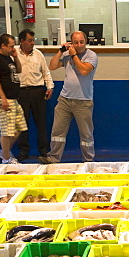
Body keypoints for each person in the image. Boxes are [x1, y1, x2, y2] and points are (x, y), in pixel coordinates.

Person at [47, 30, 98, 163]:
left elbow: (84, 70)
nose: (79, 44)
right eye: (76, 42)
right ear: (72, 43)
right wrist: (60, 51)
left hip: (83, 101)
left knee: (86, 134)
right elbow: (51, 66)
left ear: (86, 42)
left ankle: (88, 160)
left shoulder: (91, 56)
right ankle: (53, 158)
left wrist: (74, 55)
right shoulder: (67, 55)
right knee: (57, 131)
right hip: (64, 99)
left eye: (81, 42)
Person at [13, 28, 53, 164]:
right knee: (22, 124)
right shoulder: (14, 54)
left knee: (41, 123)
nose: (32, 43)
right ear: (22, 41)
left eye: (33, 41)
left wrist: (50, 87)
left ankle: (43, 150)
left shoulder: (38, 54)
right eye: (29, 40)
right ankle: (23, 151)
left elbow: (45, 72)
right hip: (20, 92)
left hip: (37, 91)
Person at [0, 32, 27, 164]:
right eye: (11, 46)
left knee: (20, 127)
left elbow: (19, 70)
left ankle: (4, 151)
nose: (13, 49)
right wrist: (3, 98)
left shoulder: (8, 57)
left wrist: (15, 57)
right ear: (3, 45)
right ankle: (6, 158)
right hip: (2, 99)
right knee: (7, 130)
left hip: (14, 98)